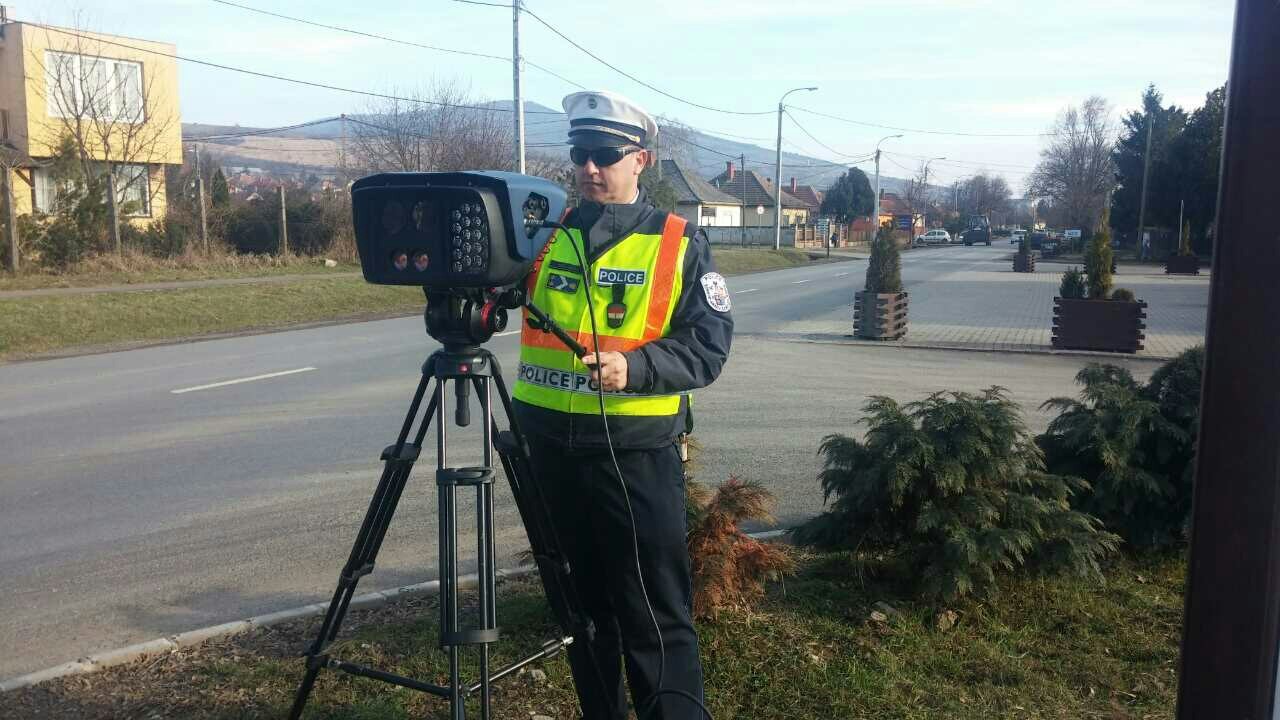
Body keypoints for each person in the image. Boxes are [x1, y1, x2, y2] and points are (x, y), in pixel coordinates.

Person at [512, 90, 733, 720]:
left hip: (634, 456)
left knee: (653, 615)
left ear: (641, 160)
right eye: (579, 153)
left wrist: (634, 368)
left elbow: (707, 348)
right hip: (548, 451)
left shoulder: (679, 242)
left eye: (604, 155)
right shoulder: (543, 236)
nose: (588, 167)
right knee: (582, 614)